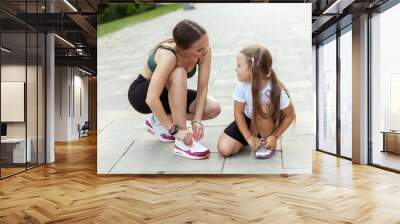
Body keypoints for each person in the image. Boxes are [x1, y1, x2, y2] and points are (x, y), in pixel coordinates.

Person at [128, 19, 221, 160]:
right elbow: (151, 99)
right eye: (199, 49)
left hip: (168, 93)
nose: (205, 50)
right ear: (184, 49)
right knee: (179, 72)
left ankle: (157, 120)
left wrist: (196, 121)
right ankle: (182, 142)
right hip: (142, 94)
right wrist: (175, 131)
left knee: (213, 108)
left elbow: (202, 87)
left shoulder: (204, 51)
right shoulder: (169, 55)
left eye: (206, 45)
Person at [217, 44, 295, 159]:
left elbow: (290, 115)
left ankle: (266, 142)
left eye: (239, 66)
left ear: (254, 70)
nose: (236, 69)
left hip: (266, 123)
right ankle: (252, 140)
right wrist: (248, 137)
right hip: (248, 121)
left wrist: (274, 136)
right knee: (224, 149)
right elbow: (238, 113)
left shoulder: (275, 89)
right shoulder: (242, 87)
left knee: (262, 108)